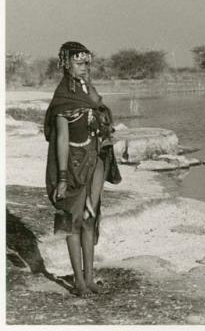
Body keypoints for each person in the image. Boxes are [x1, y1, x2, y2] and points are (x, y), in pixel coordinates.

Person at [44, 41, 121, 296]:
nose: (85, 67)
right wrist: (63, 178)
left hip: (94, 163)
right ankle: (77, 281)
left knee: (89, 219)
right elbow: (62, 141)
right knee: (72, 222)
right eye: (79, 63)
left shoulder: (90, 91)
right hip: (72, 166)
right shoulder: (63, 99)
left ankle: (89, 278)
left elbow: (102, 120)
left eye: (87, 62)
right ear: (66, 64)